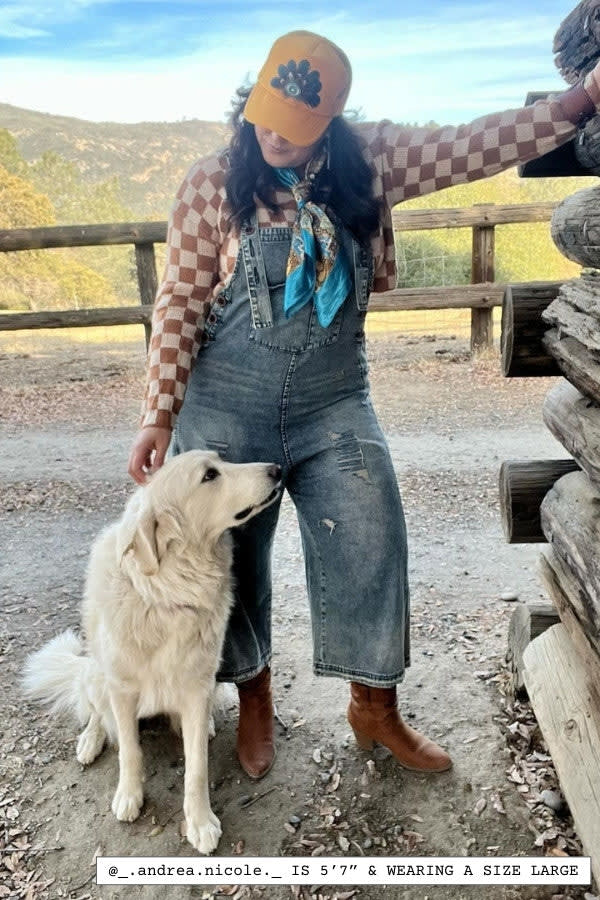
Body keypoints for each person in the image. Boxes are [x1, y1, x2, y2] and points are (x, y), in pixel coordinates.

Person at [128, 30, 600, 780]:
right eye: (266, 117)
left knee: (372, 534)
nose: (274, 137)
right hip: (225, 405)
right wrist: (159, 413)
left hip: (334, 400)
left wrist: (580, 101)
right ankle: (254, 698)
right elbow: (180, 301)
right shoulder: (211, 181)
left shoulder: (373, 160)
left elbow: (474, 144)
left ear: (330, 121)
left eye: (295, 126)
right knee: (231, 557)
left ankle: (374, 708)